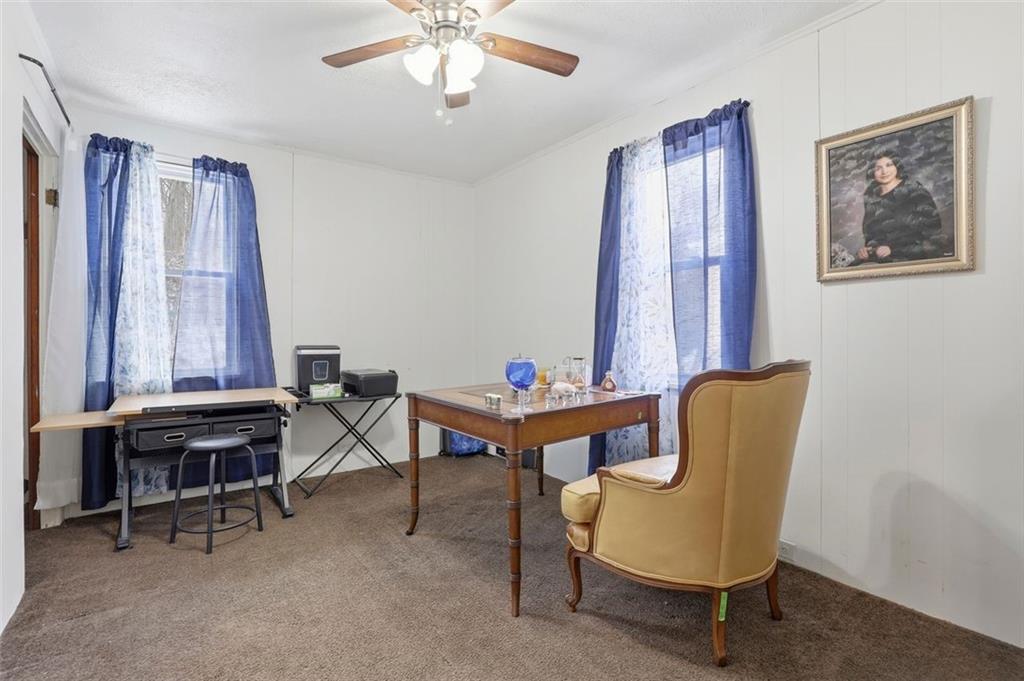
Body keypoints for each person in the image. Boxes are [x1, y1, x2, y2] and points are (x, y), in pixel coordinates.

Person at [856, 151, 948, 264]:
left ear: (897, 166)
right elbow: (870, 229)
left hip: (910, 257)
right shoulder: (870, 194)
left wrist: (893, 248)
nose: (884, 171)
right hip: (879, 258)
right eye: (878, 168)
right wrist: (869, 249)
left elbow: (932, 224)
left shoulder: (913, 188)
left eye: (889, 165)